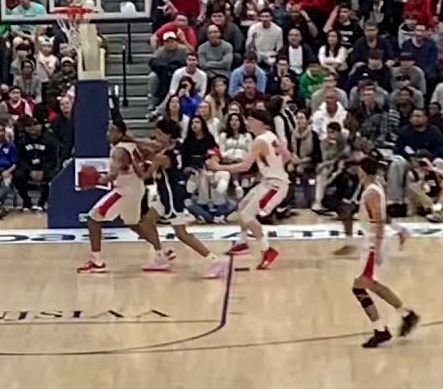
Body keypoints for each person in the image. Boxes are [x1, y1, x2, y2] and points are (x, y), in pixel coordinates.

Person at [78, 119, 174, 274]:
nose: (108, 134)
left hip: (124, 191)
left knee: (93, 218)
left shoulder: (119, 151)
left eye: (112, 131)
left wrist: (96, 180)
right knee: (133, 223)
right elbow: (150, 151)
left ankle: (96, 261)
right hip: (136, 187)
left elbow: (112, 176)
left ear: (119, 133)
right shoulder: (132, 145)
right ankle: (161, 251)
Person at [206, 107, 288, 270]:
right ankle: (243, 242)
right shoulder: (271, 136)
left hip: (274, 186)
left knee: (248, 215)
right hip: (269, 181)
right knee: (242, 206)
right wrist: (272, 169)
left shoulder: (259, 141)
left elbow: (245, 166)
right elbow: (287, 156)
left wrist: (219, 167)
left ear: (261, 123)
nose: (247, 123)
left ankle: (267, 250)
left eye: (251, 120)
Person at [352, 156, 420, 348]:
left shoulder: (371, 192)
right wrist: (399, 229)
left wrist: (376, 248)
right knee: (371, 284)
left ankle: (380, 330)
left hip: (374, 242)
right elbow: (384, 216)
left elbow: (379, 221)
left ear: (362, 170)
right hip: (374, 240)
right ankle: (406, 314)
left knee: (360, 287)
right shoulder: (375, 187)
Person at [149, 117, 228, 278]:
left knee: (182, 233)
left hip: (172, 197)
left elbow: (150, 168)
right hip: (166, 194)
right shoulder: (176, 147)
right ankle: (162, 254)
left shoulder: (167, 155)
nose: (156, 137)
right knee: (145, 220)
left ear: (169, 135)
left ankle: (214, 260)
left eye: (159, 134)